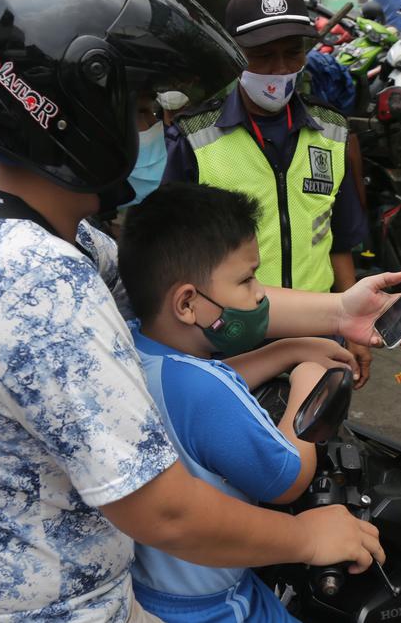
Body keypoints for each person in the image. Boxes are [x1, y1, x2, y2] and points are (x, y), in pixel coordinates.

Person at [0, 0, 401, 621]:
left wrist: (339, 309)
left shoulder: (39, 232)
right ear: (74, 113)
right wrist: (303, 536)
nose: (153, 128)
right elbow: (165, 510)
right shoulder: (38, 287)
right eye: (141, 108)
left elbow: (192, 288)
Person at [120, 183, 359, 622]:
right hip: (213, 605)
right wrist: (307, 387)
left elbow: (194, 390)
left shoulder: (133, 347)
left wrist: (285, 351)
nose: (261, 294)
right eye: (247, 279)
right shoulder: (204, 389)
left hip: (153, 590)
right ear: (188, 303)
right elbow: (286, 476)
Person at [163, 0, 375, 386]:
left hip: (321, 329)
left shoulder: (331, 131)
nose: (279, 70)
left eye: (292, 53)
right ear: (233, 55)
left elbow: (341, 239)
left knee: (320, 435)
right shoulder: (195, 139)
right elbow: (174, 260)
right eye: (262, 56)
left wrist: (353, 325)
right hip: (234, 342)